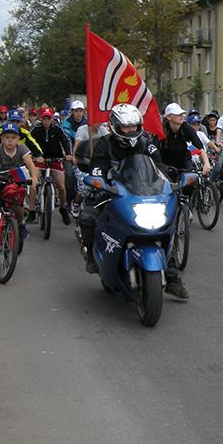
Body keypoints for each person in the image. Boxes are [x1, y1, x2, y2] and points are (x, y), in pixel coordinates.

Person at [79, 104, 190, 299]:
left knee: (167, 225)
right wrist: (99, 185)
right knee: (88, 216)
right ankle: (91, 256)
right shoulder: (104, 144)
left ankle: (171, 277)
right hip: (113, 192)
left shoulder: (146, 142)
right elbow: (96, 169)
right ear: (115, 126)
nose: (131, 130)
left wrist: (168, 184)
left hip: (143, 193)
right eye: (126, 127)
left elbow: (159, 166)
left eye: (134, 126)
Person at [0, 121, 39, 261]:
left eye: (13, 137)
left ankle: (20, 224)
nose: (10, 140)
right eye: (7, 137)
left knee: (18, 208)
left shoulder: (22, 149)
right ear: (2, 139)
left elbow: (31, 165)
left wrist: (34, 178)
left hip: (16, 183)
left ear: (18, 139)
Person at [29, 106, 74, 224]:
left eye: (49, 118)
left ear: (52, 119)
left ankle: (63, 208)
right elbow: (29, 142)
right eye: (44, 118)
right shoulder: (35, 129)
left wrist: (68, 154)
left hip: (56, 159)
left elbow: (65, 141)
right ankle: (32, 211)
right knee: (33, 183)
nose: (46, 121)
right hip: (40, 160)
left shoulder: (58, 129)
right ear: (41, 118)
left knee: (61, 186)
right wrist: (35, 155)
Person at [157, 103, 212, 178]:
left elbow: (199, 146)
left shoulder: (186, 127)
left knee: (189, 183)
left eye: (182, 114)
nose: (181, 116)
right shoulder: (161, 129)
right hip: (167, 162)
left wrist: (206, 163)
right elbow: (154, 150)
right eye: (177, 114)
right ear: (169, 117)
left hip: (184, 160)